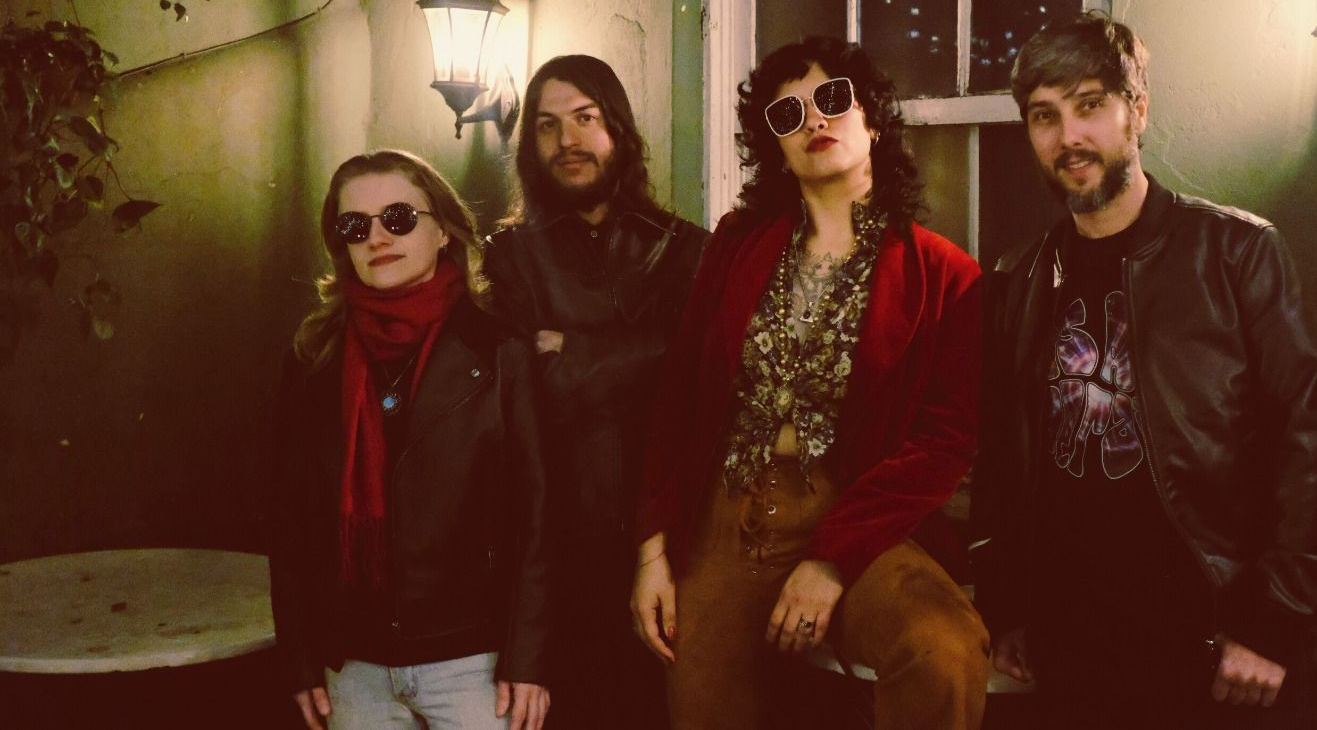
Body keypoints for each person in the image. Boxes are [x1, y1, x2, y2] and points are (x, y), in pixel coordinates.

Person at [973, 11, 1317, 728]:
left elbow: (1315, 448)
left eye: (1090, 105)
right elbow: (1002, 459)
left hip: (1215, 642)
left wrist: (1271, 622)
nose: (1068, 136)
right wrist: (1009, 604)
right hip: (1075, 644)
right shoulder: (1020, 276)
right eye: (1044, 116)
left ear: (1137, 111)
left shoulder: (1236, 254)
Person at [629, 36, 991, 730]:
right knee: (701, 706)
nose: (813, 120)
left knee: (942, 649)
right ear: (776, 148)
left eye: (831, 99)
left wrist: (832, 560)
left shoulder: (945, 273)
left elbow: (944, 442)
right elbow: (679, 397)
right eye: (787, 114)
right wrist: (651, 552)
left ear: (872, 120)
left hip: (857, 514)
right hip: (732, 515)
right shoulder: (736, 244)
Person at [269, 149, 551, 730]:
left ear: (443, 229)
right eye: (356, 225)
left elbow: (539, 513)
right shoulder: (314, 359)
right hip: (354, 665)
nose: (377, 237)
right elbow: (290, 520)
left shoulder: (499, 351)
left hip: (475, 662)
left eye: (398, 218)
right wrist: (299, 660)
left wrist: (530, 657)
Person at [484, 54, 707, 729]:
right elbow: (525, 392)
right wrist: (648, 354)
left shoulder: (686, 249)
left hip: (674, 537)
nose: (567, 141)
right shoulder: (509, 257)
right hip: (556, 546)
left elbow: (702, 379)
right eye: (547, 126)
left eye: (585, 119)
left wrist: (576, 352)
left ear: (618, 129)